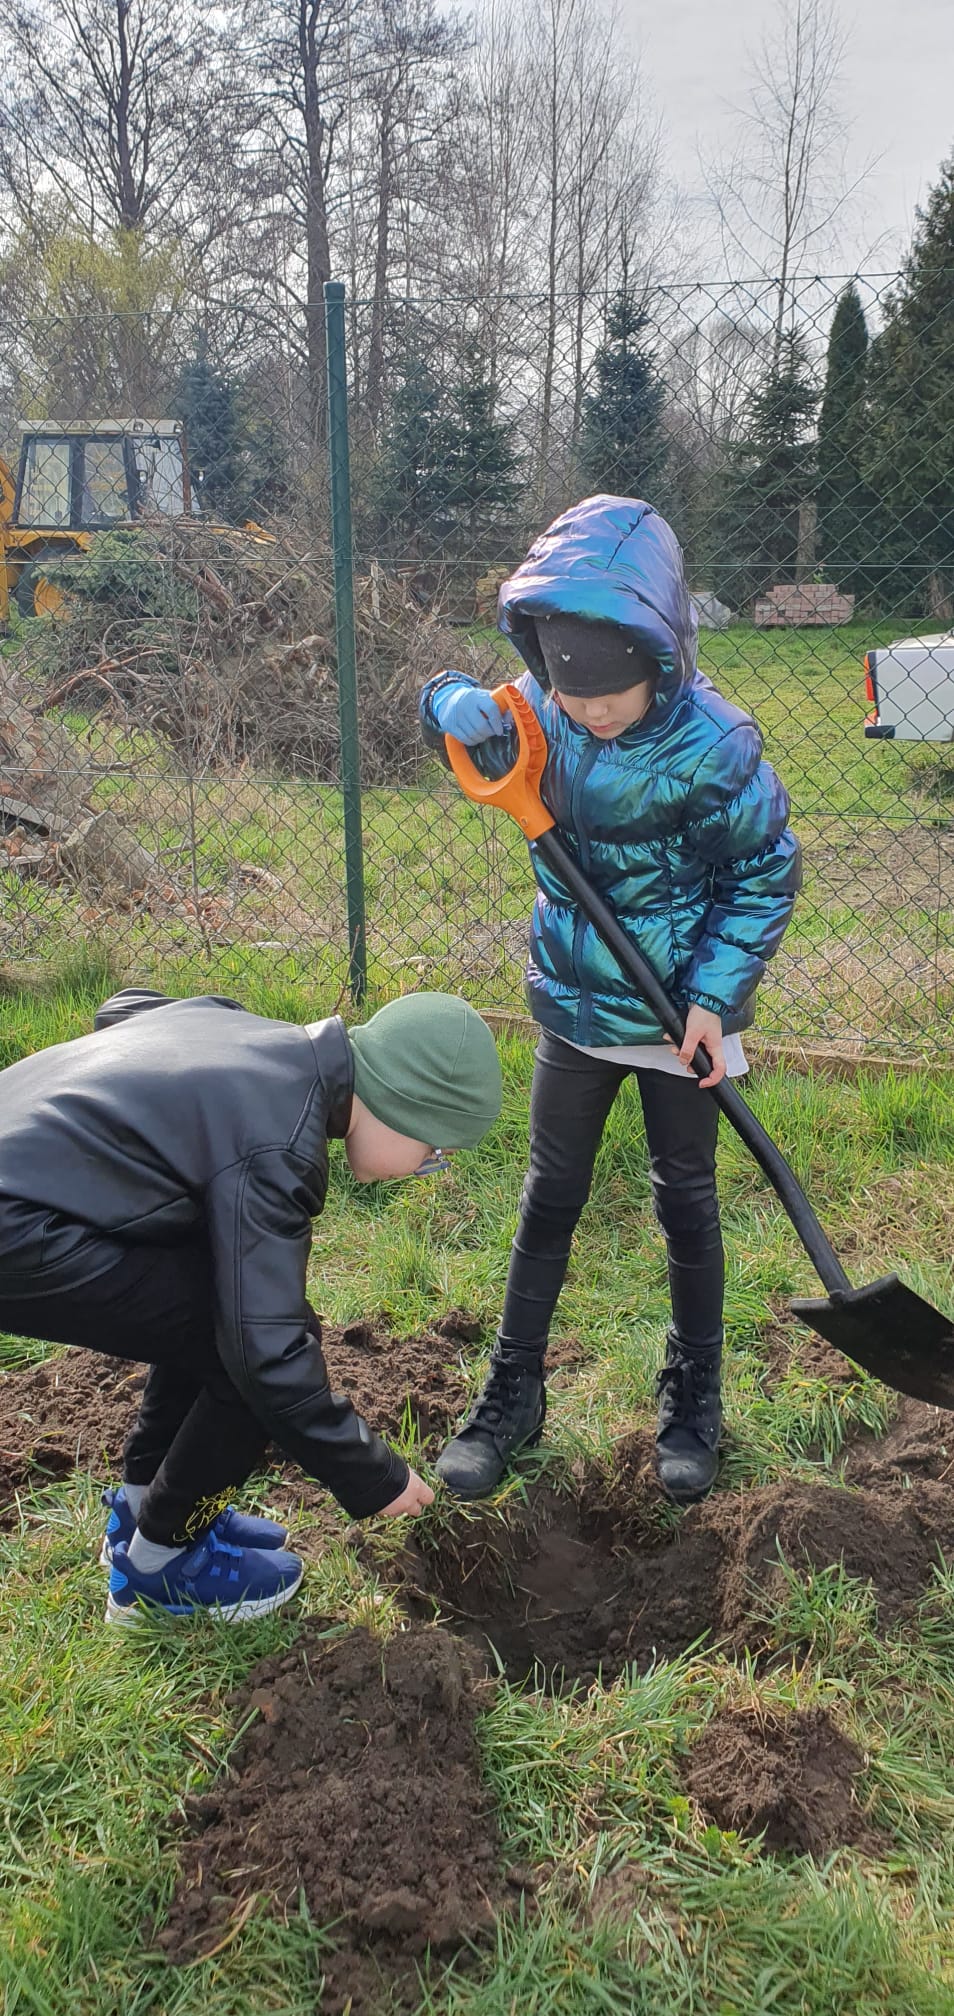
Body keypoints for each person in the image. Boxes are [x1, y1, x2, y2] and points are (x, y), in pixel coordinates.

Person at [420, 494, 800, 1506]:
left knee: (687, 1203)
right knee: (551, 1192)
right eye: (570, 689)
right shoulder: (543, 704)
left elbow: (763, 873)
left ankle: (695, 1397)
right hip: (577, 1008)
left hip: (680, 1018)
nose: (591, 711)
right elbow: (468, 716)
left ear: (659, 655)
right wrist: (446, 702)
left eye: (613, 693)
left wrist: (715, 998)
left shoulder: (715, 744)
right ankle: (512, 1391)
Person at [0, 987, 502, 1623]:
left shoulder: (259, 1041)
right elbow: (265, 1358)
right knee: (248, 1356)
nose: (426, 1167)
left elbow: (125, 1009)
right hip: (17, 1227)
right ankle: (157, 1570)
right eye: (433, 1153)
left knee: (218, 1308)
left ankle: (150, 1505)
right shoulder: (280, 1144)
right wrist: (372, 1476)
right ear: (404, 1107)